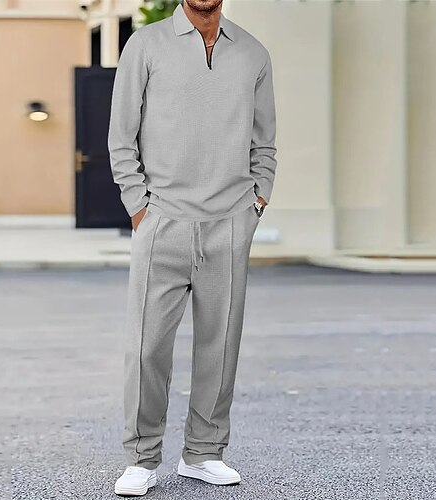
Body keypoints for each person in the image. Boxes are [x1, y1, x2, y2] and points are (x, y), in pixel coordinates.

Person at [107, 0, 277, 495]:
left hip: (230, 221)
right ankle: (142, 458)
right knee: (146, 348)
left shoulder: (253, 53)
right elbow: (122, 135)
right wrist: (139, 207)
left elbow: (265, 141)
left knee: (219, 347)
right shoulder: (145, 45)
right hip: (162, 220)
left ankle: (204, 453)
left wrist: (256, 203)